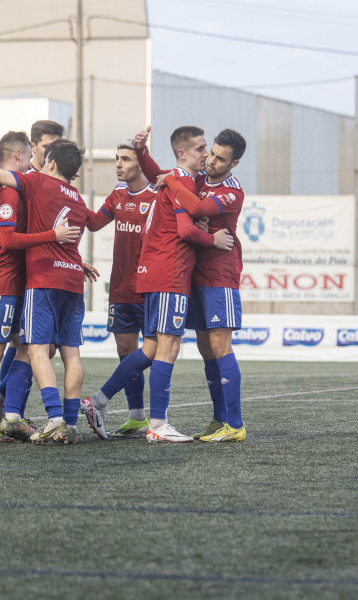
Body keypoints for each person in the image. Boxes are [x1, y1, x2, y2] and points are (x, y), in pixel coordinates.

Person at [82, 126, 234, 443]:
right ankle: (157, 424)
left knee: (150, 349)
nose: (206, 154)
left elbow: (165, 188)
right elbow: (184, 229)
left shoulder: (173, 181)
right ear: (182, 153)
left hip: (154, 274)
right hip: (170, 274)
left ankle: (97, 401)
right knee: (169, 348)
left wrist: (144, 152)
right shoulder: (180, 182)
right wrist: (212, 238)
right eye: (201, 148)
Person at [0, 131, 80, 441]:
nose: (34, 162)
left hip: (13, 279)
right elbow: (5, 240)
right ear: (17, 155)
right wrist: (53, 237)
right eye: (31, 155)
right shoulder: (8, 191)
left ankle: (11, 414)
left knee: (32, 347)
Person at [0, 139, 96, 443]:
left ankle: (54, 418)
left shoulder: (36, 181)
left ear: (49, 162)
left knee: (37, 350)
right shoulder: (77, 198)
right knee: (71, 353)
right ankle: (71, 422)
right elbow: (97, 221)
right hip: (74, 281)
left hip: (45, 280)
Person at [161, 129, 248, 442]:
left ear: (234, 163)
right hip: (195, 275)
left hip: (220, 276)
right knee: (205, 348)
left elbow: (196, 209)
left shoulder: (232, 191)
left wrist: (170, 181)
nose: (212, 161)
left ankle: (235, 425)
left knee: (221, 346)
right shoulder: (196, 180)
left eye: (221, 158)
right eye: (211, 153)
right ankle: (219, 419)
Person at [0, 118, 67, 417]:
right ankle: (5, 407)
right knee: (33, 345)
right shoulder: (23, 179)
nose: (52, 152)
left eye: (57, 146)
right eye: (47, 146)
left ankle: (4, 401)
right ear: (33, 147)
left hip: (37, 268)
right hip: (18, 273)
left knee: (30, 344)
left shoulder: (51, 179)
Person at [77, 141, 157, 438]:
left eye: (125, 159)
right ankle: (137, 417)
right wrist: (70, 196)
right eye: (117, 159)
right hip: (121, 288)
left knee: (150, 352)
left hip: (149, 289)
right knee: (127, 353)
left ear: (141, 163)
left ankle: (98, 400)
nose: (119, 164)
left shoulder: (157, 196)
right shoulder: (118, 195)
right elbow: (95, 223)